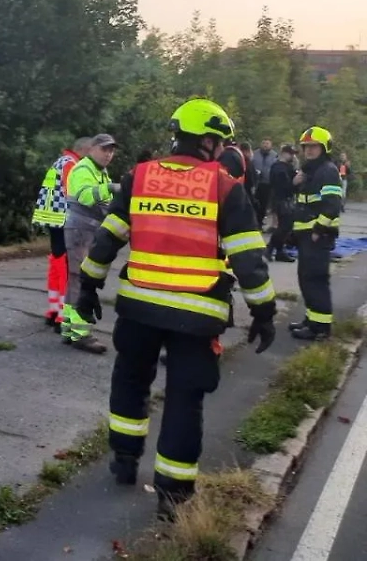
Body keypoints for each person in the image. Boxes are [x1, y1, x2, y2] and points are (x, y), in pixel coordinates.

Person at [78, 98, 276, 521]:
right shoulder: (225, 187)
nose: (222, 149)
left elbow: (108, 237)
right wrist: (264, 311)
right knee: (185, 400)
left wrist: (89, 287)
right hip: (196, 315)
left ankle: (124, 461)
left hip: (139, 309)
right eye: (219, 141)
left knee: (130, 381)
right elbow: (248, 259)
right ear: (207, 140)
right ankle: (172, 497)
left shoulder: (139, 176)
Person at [61, 133, 120, 354]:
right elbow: (87, 197)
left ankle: (69, 329)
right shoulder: (84, 169)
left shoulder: (98, 171)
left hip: (85, 231)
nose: (108, 154)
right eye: (105, 149)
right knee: (81, 281)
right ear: (92, 148)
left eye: (112, 150)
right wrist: (113, 188)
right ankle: (80, 334)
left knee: (75, 280)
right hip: (80, 231)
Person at [31, 137, 93, 330]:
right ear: (84, 150)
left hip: (51, 218)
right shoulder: (72, 165)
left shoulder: (61, 161)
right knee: (67, 267)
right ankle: (62, 317)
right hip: (63, 219)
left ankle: (53, 311)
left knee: (56, 262)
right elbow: (71, 192)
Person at [289, 127, 343, 341]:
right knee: (306, 279)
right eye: (306, 147)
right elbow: (303, 204)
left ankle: (320, 328)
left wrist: (318, 230)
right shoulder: (310, 171)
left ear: (324, 148)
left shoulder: (327, 170)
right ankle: (311, 320)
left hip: (317, 236)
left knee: (315, 280)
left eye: (313, 147)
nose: (309, 151)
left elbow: (332, 205)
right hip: (306, 236)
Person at [267, 146, 297, 262]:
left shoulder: (288, 167)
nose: (293, 156)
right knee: (284, 226)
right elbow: (283, 186)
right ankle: (270, 248)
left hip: (287, 199)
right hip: (281, 200)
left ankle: (279, 251)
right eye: (291, 154)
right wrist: (294, 183)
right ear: (284, 154)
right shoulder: (278, 168)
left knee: (287, 226)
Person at [252, 140, 278, 225]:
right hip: (256, 183)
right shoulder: (254, 154)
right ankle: (254, 221)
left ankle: (260, 221)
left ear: (271, 145)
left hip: (268, 183)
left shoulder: (275, 156)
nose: (265, 145)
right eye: (263, 143)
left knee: (264, 204)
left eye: (267, 143)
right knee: (254, 202)